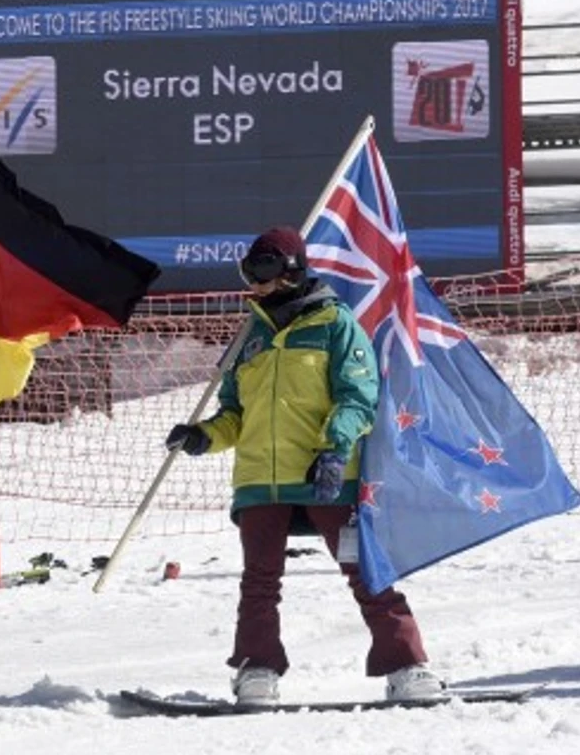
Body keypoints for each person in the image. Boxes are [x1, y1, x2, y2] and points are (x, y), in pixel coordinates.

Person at [167, 226, 444, 706]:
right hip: (259, 480)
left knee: (363, 572)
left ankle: (406, 665)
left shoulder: (335, 323)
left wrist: (334, 449)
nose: (256, 282)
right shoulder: (250, 334)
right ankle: (257, 669)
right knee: (259, 581)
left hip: (325, 474)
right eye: (249, 272)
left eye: (266, 270)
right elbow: (236, 415)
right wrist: (204, 436)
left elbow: (359, 397)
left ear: (293, 268)